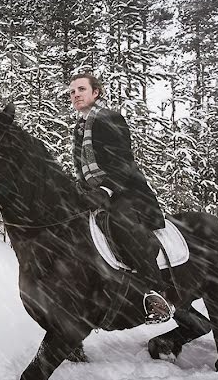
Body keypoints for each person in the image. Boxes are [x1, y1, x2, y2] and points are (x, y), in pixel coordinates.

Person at [69, 73, 173, 324]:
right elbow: (82, 169)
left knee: (120, 221)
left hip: (125, 190)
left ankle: (155, 292)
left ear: (96, 93)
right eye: (72, 92)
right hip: (94, 194)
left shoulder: (110, 118)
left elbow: (123, 162)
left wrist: (106, 190)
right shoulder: (79, 128)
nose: (76, 95)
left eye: (81, 89)